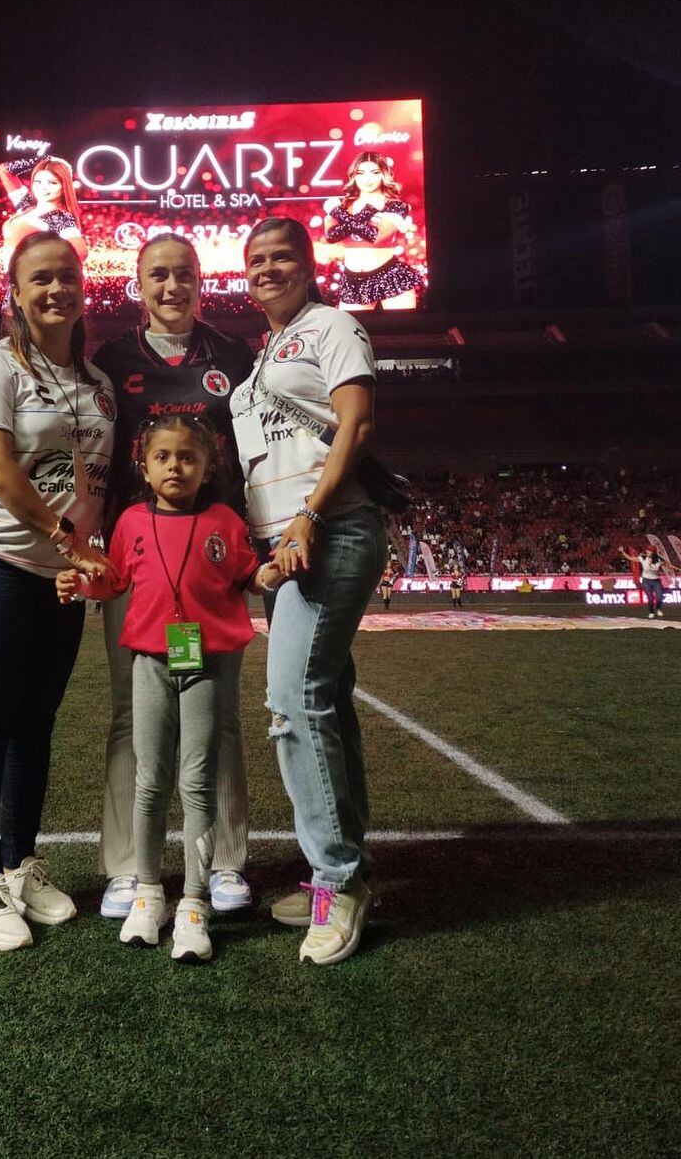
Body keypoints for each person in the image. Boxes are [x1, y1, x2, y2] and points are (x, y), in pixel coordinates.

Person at [0, 232, 115, 954]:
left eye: (67, 277)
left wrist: (83, 555)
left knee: (36, 724)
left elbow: (93, 484)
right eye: (40, 278)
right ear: (15, 292)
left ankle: (21, 864)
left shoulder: (98, 384)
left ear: (83, 289)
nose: (56, 290)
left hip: (56, 577)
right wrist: (69, 539)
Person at [58, 414, 284, 962]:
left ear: (207, 468)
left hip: (207, 661)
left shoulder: (225, 521)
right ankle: (147, 892)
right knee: (150, 779)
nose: (175, 466)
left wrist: (271, 574)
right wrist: (80, 577)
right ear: (144, 466)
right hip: (151, 661)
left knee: (198, 779)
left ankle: (193, 901)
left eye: (187, 457)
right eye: (163, 457)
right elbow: (115, 580)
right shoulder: (132, 520)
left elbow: (245, 575)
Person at [231, 216, 387, 967]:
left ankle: (337, 883)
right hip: (282, 547)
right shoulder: (263, 355)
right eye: (256, 260)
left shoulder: (333, 325)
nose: (267, 268)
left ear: (308, 264)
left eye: (281, 257)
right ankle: (350, 872)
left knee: (293, 704)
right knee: (325, 701)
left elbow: (354, 425)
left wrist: (309, 518)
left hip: (328, 532)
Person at [90, 234, 257, 920]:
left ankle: (221, 861)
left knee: (216, 716)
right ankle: (129, 866)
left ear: (200, 281)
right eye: (157, 275)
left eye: (183, 274)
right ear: (138, 283)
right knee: (134, 716)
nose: (171, 286)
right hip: (138, 561)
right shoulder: (112, 359)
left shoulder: (233, 356)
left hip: (208, 562)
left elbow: (250, 452)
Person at [323, 151, 422, 311]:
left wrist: (343, 215)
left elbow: (374, 237)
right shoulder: (342, 205)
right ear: (353, 176)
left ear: (384, 174)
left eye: (374, 173)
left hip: (390, 275)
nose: (367, 179)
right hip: (353, 279)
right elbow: (332, 236)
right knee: (351, 332)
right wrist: (359, 215)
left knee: (401, 330)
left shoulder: (395, 206)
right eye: (360, 173)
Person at [0, 156, 89, 264]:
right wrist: (45, 159)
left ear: (64, 185)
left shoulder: (60, 217)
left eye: (52, 183)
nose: (43, 187)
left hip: (26, 278)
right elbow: (5, 170)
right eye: (38, 182)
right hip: (10, 278)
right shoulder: (26, 205)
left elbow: (80, 253)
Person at [637, 545, 675, 619]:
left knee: (660, 596)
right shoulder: (643, 558)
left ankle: (658, 608)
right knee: (650, 597)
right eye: (647, 550)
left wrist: (677, 569)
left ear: (653, 552)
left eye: (649, 550)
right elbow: (631, 558)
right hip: (646, 580)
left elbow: (668, 565)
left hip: (656, 580)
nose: (647, 551)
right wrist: (623, 552)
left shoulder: (658, 560)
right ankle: (651, 612)